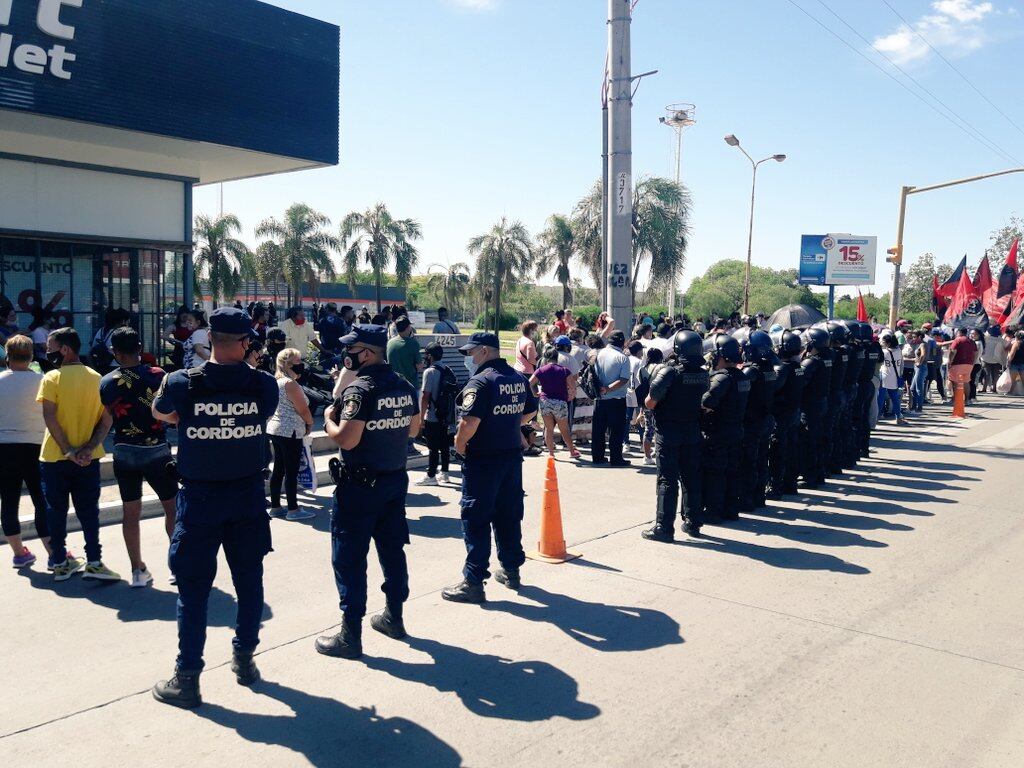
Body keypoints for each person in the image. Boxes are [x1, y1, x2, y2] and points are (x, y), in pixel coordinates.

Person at [151, 307, 279, 709]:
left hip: (201, 500)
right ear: (244, 343)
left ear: (209, 337)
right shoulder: (264, 384)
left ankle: (187, 677)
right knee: (249, 582)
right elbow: (264, 416)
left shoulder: (180, 382)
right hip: (246, 499)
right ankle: (245, 661)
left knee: (193, 591)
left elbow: (162, 413)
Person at [315, 325, 421, 659]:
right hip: (393, 480)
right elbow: (414, 429)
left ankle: (350, 635)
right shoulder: (403, 384)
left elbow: (347, 439)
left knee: (349, 556)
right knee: (392, 549)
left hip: (360, 487)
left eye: (353, 349)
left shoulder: (360, 390)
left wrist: (329, 421)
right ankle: (394, 616)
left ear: (368, 352)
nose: (347, 355)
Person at [442, 332, 537, 604]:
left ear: (484, 351)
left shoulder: (481, 382)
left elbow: (467, 424)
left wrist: (460, 447)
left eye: (472, 353)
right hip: (510, 458)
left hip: (483, 460)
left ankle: (473, 582)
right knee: (508, 514)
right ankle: (511, 570)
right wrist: (509, 423)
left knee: (476, 518)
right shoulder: (518, 379)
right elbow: (530, 411)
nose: (470, 359)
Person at [37, 327, 118, 581]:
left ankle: (60, 562)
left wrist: (68, 450)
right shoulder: (98, 378)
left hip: (54, 457)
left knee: (56, 511)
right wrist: (87, 449)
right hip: (88, 459)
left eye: (50, 348)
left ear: (65, 349)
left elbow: (49, 417)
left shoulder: (51, 378)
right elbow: (106, 420)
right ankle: (94, 561)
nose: (46, 352)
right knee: (89, 512)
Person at [99, 327, 178, 588]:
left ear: (115, 353)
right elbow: (170, 410)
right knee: (172, 508)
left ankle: (137, 570)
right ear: (140, 347)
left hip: (124, 450)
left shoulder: (107, 382)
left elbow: (108, 418)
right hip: (157, 448)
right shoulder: (159, 376)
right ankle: (177, 566)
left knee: (130, 513)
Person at [642, 331, 708, 541]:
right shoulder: (704, 374)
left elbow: (650, 402)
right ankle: (693, 522)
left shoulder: (670, 372)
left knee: (667, 480)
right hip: (692, 431)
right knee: (692, 478)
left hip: (669, 432)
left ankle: (663, 527)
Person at [1, 335, 51, 568]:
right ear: (31, 357)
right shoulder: (44, 381)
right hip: (36, 446)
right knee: (42, 500)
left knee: (9, 502)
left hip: (4, 447)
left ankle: (19, 552)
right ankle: (54, 553)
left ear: (7, 357)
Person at [701, 334, 749, 521]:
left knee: (715, 472)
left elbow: (707, 401)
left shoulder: (722, 378)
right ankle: (731, 509)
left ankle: (714, 512)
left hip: (719, 432)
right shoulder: (741, 376)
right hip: (735, 430)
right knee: (732, 470)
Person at [266, 348, 316, 521]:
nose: (302, 365)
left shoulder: (276, 381)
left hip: (276, 429)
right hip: (291, 431)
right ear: (288, 365)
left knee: (279, 468)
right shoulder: (290, 384)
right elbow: (303, 410)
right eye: (298, 361)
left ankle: (275, 506)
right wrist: (309, 423)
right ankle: (293, 509)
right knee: (291, 471)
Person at [735, 329, 778, 510]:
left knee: (749, 462)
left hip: (752, 421)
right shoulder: (769, 368)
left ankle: (747, 500)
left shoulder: (751, 371)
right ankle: (759, 497)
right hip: (765, 419)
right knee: (761, 459)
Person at [766, 329, 805, 499]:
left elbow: (774, 389)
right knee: (792, 448)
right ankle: (790, 483)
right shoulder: (799, 367)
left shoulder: (784, 368)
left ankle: (775, 487)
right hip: (794, 412)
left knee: (778, 451)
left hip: (781, 415)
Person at [530, 348, 580, 459]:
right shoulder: (564, 370)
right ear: (557, 357)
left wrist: (535, 393)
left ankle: (551, 454)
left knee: (548, 428)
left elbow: (530, 382)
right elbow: (572, 386)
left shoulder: (541, 370)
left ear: (546, 358)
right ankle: (572, 451)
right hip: (560, 402)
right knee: (564, 429)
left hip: (545, 401)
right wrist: (570, 397)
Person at [591, 330, 632, 467]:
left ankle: (597, 457)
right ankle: (616, 459)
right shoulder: (622, 357)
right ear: (621, 342)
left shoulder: (598, 354)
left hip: (599, 398)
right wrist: (608, 388)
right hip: (616, 399)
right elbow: (623, 379)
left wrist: (602, 389)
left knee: (598, 430)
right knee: (616, 431)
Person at [418, 342, 456, 485]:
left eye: (426, 354)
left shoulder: (430, 372)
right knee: (445, 445)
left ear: (430, 356)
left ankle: (431, 476)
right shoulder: (447, 369)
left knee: (433, 447)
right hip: (447, 416)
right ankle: (444, 474)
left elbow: (425, 397)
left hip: (433, 415)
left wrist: (421, 419)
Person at [799, 327, 831, 488]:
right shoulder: (828, 357)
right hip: (822, 402)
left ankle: (809, 477)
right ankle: (818, 474)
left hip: (810, 406)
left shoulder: (811, 362)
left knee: (808, 441)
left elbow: (800, 383)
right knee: (818, 439)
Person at [386, 316, 422, 389]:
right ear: (408, 327)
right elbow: (419, 367)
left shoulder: (390, 343)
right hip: (411, 385)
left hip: (394, 385)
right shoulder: (413, 343)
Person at [878, 333, 906, 424]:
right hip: (895, 377)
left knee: (881, 397)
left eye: (884, 342)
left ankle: (878, 415)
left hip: (885, 376)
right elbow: (902, 364)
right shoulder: (899, 351)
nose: (882, 343)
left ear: (888, 343)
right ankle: (898, 417)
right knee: (895, 398)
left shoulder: (885, 352)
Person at [981, 326, 1006, 393]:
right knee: (995, 375)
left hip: (985, 359)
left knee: (986, 374)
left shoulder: (986, 338)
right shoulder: (1000, 340)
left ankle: (984, 388)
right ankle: (995, 388)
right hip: (996, 360)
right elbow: (1006, 346)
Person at [968, 328, 985, 401]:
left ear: (978, 335)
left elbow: (976, 355)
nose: (972, 335)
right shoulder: (978, 342)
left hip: (975, 363)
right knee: (971, 381)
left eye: (974, 334)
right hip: (975, 363)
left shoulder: (977, 343)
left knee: (971, 381)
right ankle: (972, 396)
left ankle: (972, 396)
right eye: (971, 334)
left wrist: (972, 364)